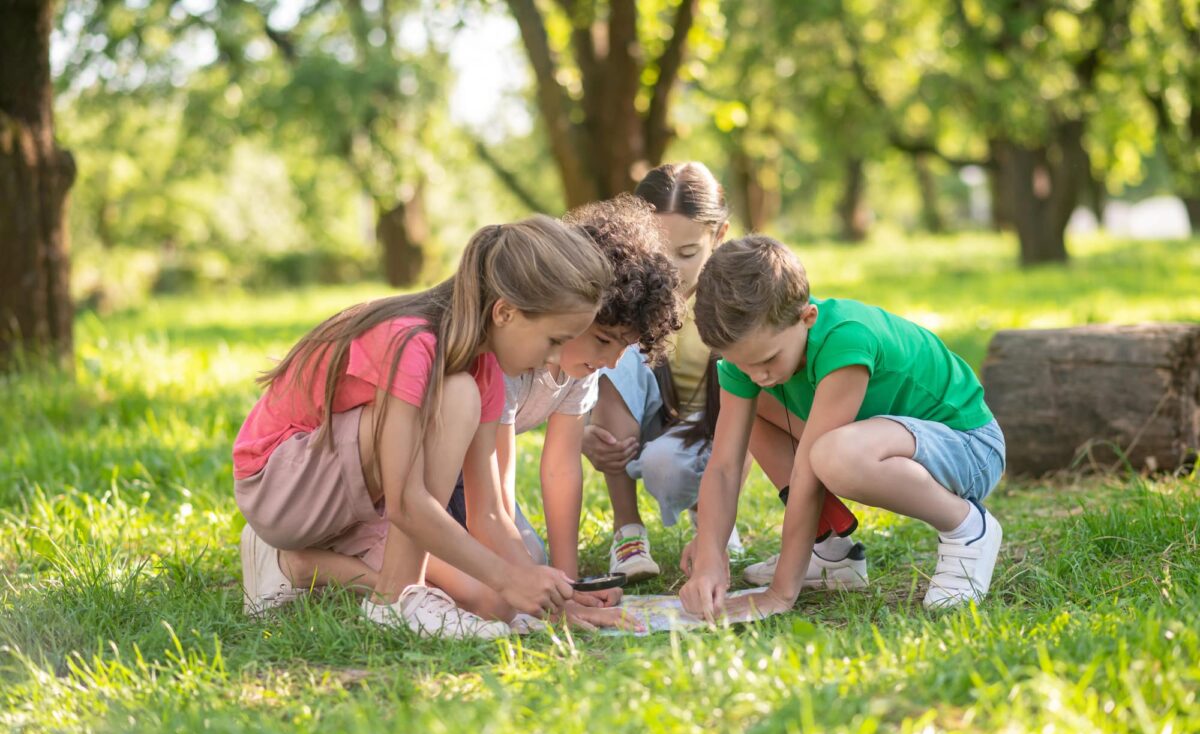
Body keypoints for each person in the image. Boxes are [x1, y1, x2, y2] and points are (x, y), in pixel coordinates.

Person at [233, 216, 612, 638]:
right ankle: (397, 597)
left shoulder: (484, 367)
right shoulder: (414, 342)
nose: (555, 359)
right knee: (457, 395)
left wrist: (551, 598)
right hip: (282, 487)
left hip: (354, 504)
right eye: (554, 340)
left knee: (495, 604)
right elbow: (406, 504)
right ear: (505, 312)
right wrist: (508, 576)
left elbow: (487, 513)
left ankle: (297, 565)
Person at [680, 235, 1006, 620]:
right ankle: (833, 552)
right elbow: (723, 466)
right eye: (742, 365)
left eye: (767, 359)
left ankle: (966, 527)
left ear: (807, 318)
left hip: (970, 450)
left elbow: (808, 472)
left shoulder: (844, 340)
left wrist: (781, 593)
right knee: (754, 412)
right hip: (890, 445)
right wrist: (709, 557)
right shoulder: (753, 360)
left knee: (832, 456)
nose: (758, 375)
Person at [584, 162, 867, 587]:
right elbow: (572, 378)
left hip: (719, 432)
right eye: (659, 254)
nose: (672, 272)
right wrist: (585, 434)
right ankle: (628, 532)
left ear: (718, 236)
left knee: (669, 461)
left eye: (687, 254)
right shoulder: (629, 292)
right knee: (618, 351)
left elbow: (757, 405)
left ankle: (716, 519)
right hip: (651, 427)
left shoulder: (738, 300)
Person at [432, 195, 684, 629]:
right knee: (505, 581)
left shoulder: (579, 367)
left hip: (469, 483)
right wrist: (547, 593)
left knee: (534, 564)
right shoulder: (510, 357)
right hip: (434, 477)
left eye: (624, 347)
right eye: (603, 340)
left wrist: (570, 584)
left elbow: (562, 469)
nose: (609, 361)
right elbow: (495, 499)